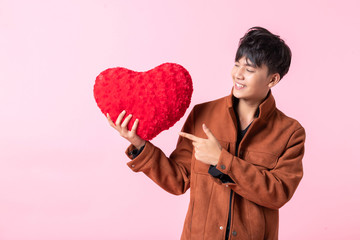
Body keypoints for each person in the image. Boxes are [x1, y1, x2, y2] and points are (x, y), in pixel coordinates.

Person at [106, 26, 306, 240]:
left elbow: (278, 194)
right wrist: (139, 144)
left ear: (272, 80)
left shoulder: (290, 132)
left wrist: (222, 160)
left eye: (249, 69)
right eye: (237, 64)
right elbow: (178, 180)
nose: (238, 74)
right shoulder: (203, 114)